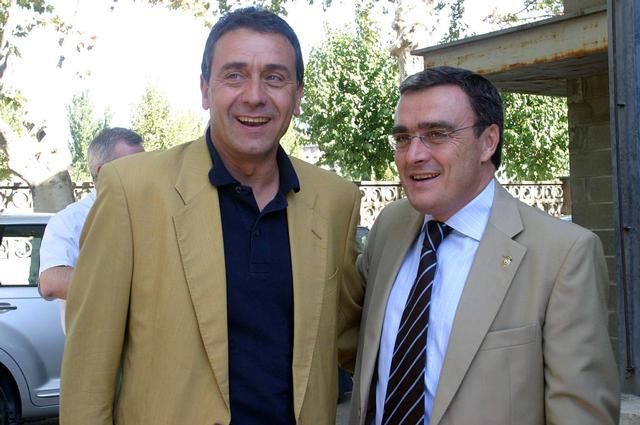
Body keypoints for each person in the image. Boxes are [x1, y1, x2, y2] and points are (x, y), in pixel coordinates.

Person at [60, 7, 362, 425]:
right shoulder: (132, 191)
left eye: (275, 77)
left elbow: (350, 338)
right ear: (205, 90)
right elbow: (88, 371)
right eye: (234, 75)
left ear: (297, 96)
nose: (254, 95)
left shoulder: (335, 201)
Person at [349, 66, 619, 425]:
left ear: (488, 141)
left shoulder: (563, 255)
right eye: (402, 137)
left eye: (437, 134)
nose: (413, 155)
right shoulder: (389, 228)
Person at [38, 127, 144, 333]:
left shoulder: (152, 212)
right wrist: (132, 284)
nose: (144, 174)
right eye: (134, 167)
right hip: (97, 347)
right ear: (103, 173)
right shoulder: (70, 220)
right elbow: (51, 282)